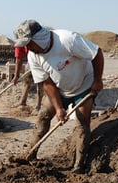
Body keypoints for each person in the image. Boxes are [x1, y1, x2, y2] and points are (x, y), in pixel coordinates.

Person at [13, 19, 104, 174]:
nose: (27, 48)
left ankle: (79, 165)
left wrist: (97, 80)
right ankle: (31, 154)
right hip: (59, 88)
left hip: (84, 85)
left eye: (29, 43)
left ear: (39, 38)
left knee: (82, 122)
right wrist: (59, 108)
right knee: (43, 116)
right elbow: (46, 83)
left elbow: (96, 53)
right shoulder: (33, 56)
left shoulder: (68, 40)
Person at [12, 46, 43, 112]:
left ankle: (38, 106)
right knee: (27, 80)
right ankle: (23, 101)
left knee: (40, 83)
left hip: (42, 60)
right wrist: (16, 76)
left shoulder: (38, 39)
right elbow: (19, 59)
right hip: (31, 62)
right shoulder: (19, 45)